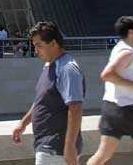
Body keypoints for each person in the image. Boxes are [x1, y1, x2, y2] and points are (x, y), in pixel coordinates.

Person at [12, 21, 84, 165]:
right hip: (48, 148)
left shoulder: (67, 69)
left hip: (56, 150)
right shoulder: (49, 66)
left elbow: (75, 108)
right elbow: (42, 100)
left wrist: (69, 147)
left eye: (39, 46)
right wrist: (23, 123)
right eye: (34, 46)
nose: (36, 51)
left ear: (53, 44)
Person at [87, 16, 133, 165]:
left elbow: (121, 73)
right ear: (131, 33)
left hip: (111, 108)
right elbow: (107, 74)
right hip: (126, 109)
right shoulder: (127, 52)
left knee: (102, 155)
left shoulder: (120, 48)